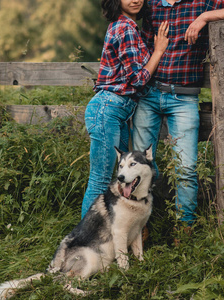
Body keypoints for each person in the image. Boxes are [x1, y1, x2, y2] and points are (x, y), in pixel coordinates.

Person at [132, 0, 224, 226]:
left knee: (186, 168)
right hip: (149, 94)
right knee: (138, 166)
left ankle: (184, 229)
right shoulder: (151, 5)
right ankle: (139, 228)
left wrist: (205, 17)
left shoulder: (203, 2)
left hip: (183, 98)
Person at [81, 0, 169, 218]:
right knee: (100, 179)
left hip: (117, 112)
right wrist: (158, 51)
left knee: (117, 179)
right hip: (107, 110)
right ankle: (84, 240)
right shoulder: (124, 28)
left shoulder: (129, 27)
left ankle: (109, 236)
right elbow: (138, 79)